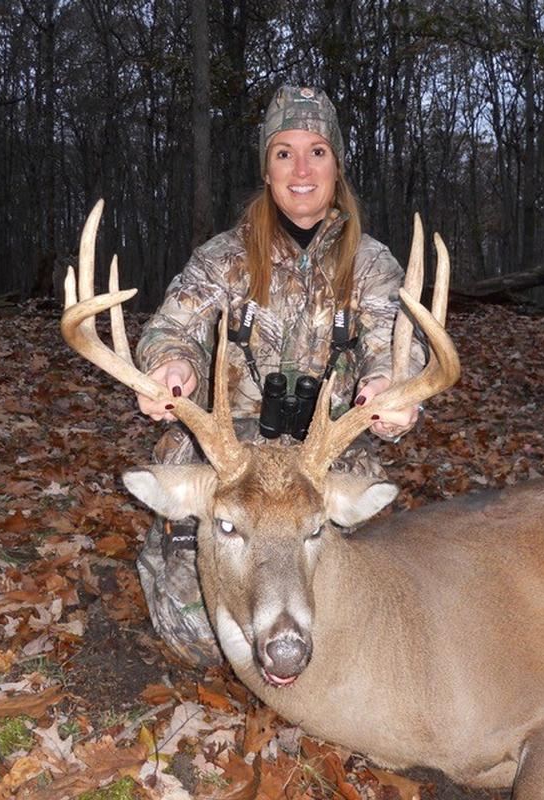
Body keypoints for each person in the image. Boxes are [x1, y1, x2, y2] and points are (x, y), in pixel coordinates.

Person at [135, 85, 424, 667]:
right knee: (202, 637)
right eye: (284, 153)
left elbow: (395, 343)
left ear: (337, 167)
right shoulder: (222, 258)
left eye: (317, 152)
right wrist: (171, 365)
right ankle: (170, 550)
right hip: (232, 460)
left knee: (356, 620)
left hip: (323, 461)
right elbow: (171, 328)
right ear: (266, 170)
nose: (301, 170)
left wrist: (390, 389)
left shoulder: (371, 264)